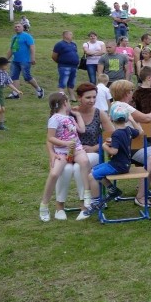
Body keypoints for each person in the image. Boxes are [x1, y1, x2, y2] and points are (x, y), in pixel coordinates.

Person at [38, 93, 95, 221]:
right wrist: (65, 144)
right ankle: (44, 205)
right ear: (64, 103)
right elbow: (50, 138)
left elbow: (82, 130)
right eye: (69, 101)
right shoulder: (54, 118)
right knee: (54, 174)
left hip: (77, 149)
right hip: (61, 152)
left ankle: (87, 194)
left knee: (84, 162)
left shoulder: (70, 117)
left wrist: (78, 115)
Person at [78, 105, 140, 219]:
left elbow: (114, 151)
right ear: (126, 119)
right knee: (94, 170)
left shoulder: (116, 134)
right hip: (124, 164)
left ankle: (96, 202)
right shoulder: (128, 130)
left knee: (92, 176)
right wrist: (132, 120)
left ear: (111, 119)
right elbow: (139, 132)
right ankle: (112, 190)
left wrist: (104, 146)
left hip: (117, 165)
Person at [6, 22, 44, 99]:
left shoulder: (27, 36)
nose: (17, 28)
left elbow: (32, 47)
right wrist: (5, 59)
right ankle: (15, 94)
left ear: (23, 28)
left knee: (27, 77)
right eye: (15, 27)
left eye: (19, 26)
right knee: (14, 77)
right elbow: (11, 49)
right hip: (15, 61)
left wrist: (32, 58)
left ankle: (39, 90)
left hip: (25, 61)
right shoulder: (14, 37)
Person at [0, 58, 21, 130]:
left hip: (0, 91)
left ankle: (1, 125)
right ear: (2, 65)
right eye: (6, 64)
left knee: (2, 109)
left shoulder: (5, 74)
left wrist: (17, 90)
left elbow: (9, 83)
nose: (7, 65)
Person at [51, 30, 80, 102]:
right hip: (64, 66)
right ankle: (61, 97)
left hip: (74, 66)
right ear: (65, 35)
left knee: (71, 82)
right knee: (63, 81)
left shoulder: (74, 44)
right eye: (70, 34)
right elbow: (54, 56)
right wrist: (61, 62)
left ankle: (72, 97)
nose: (72, 36)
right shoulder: (59, 44)